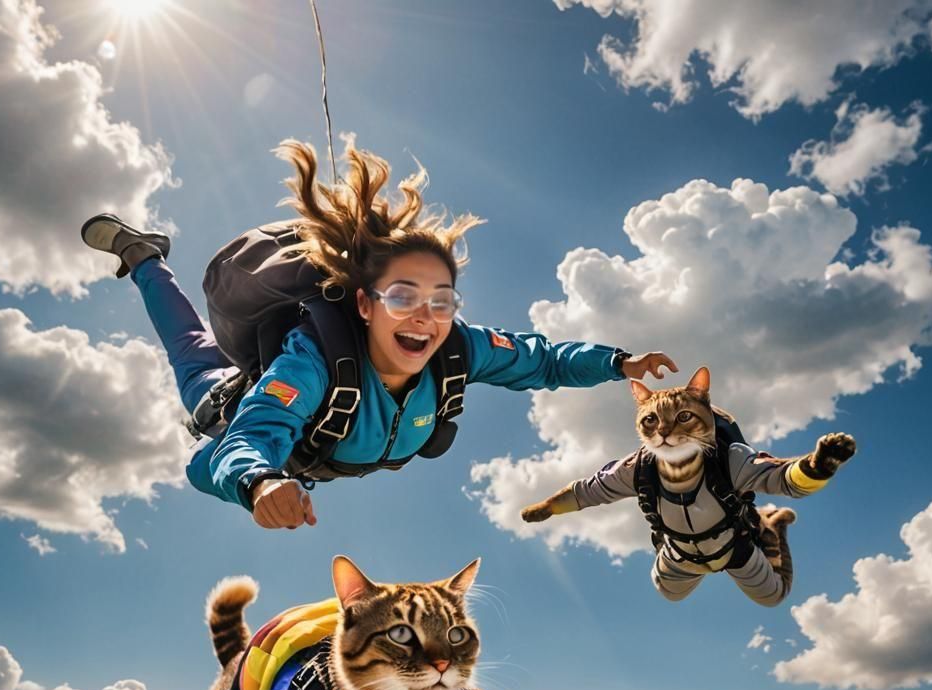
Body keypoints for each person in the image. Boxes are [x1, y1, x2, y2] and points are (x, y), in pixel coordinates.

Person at [82, 142, 677, 530]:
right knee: (187, 346)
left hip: (320, 458)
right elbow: (235, 446)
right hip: (229, 406)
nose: (424, 316)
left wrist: (617, 362)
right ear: (365, 304)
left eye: (441, 301)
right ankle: (144, 258)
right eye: (402, 297)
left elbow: (541, 359)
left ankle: (145, 259)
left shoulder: (456, 349)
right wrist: (260, 482)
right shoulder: (313, 362)